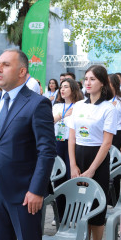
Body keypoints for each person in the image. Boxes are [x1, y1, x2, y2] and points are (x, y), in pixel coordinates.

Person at [0, 49, 56, 240]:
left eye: (6, 65)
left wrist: (36, 190)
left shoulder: (38, 104)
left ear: (22, 72)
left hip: (24, 194)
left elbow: (46, 151)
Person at [68, 65, 116, 240]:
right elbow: (71, 138)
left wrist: (92, 169)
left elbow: (107, 142)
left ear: (102, 83)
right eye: (86, 78)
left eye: (93, 79)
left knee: (96, 208)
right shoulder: (79, 105)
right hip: (78, 157)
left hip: (98, 159)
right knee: (81, 205)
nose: (88, 82)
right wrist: (72, 165)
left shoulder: (109, 108)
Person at [52, 78, 83, 220]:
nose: (62, 89)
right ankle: (60, 215)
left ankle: (74, 214)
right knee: (58, 180)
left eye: (66, 87)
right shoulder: (57, 106)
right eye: (61, 87)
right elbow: (49, 121)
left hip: (73, 144)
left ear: (73, 89)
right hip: (58, 143)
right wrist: (62, 115)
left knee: (72, 179)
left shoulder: (80, 106)